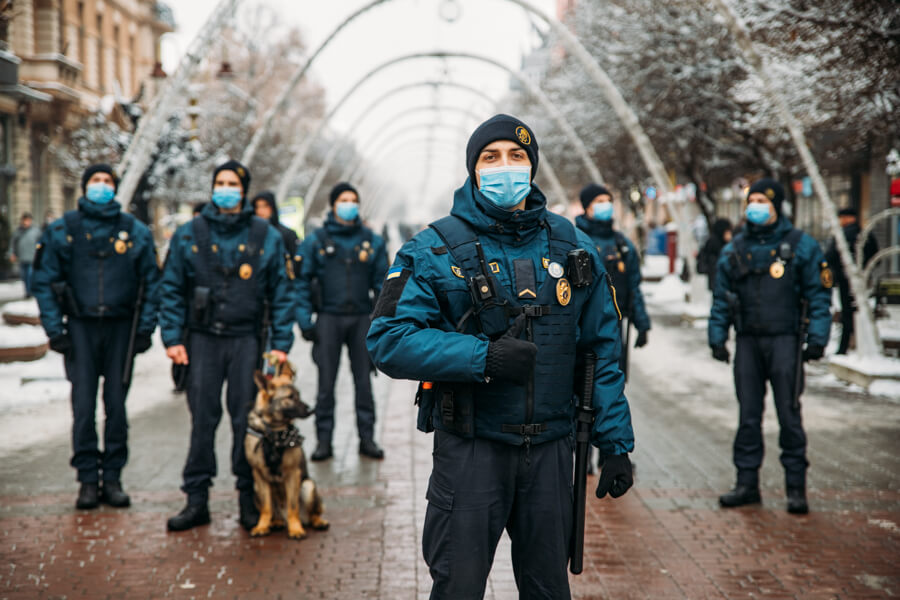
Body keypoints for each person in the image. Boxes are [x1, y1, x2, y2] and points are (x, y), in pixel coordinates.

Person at [367, 114, 634, 599]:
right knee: (459, 586)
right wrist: (481, 356)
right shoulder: (432, 249)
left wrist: (614, 442)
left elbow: (600, 352)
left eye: (516, 156)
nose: (504, 167)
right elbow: (388, 339)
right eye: (490, 157)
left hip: (552, 451)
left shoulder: (574, 246)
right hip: (472, 449)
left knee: (548, 588)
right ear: (472, 169)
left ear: (532, 167)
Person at [159, 159, 295, 532]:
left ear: (244, 189)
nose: (225, 188)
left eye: (232, 182)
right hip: (201, 341)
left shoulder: (265, 235)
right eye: (220, 182)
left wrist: (280, 343)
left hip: (247, 342)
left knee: (246, 422)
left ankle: (249, 501)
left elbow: (284, 293)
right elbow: (170, 288)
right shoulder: (190, 232)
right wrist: (172, 337)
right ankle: (196, 500)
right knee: (202, 420)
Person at [31, 163, 160, 509]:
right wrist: (55, 329)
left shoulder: (133, 231)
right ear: (85, 186)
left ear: (115, 188)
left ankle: (113, 477)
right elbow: (43, 282)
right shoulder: (64, 230)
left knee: (116, 407)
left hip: (121, 329)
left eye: (107, 181)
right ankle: (88, 479)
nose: (101, 186)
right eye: (95, 181)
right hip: (81, 330)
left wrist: (146, 328)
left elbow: (152, 282)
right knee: (83, 407)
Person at [708, 178, 832, 515]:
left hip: (785, 342)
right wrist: (717, 336)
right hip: (748, 341)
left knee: (788, 416)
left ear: (777, 204)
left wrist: (817, 338)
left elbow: (819, 297)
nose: (756, 205)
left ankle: (795, 487)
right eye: (753, 199)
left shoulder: (801, 245)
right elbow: (721, 298)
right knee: (748, 417)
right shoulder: (734, 248)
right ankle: (746, 483)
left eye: (763, 199)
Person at [296, 182, 388, 461]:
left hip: (362, 318)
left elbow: (384, 285)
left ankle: (367, 439)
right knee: (325, 384)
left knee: (364, 382)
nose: (350, 205)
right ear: (333, 205)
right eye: (343, 200)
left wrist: (380, 321)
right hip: (328, 318)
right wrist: (305, 320)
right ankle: (324, 441)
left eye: (353, 200)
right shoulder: (316, 241)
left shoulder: (372, 241)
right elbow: (301, 282)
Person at [576, 183, 651, 365]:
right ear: (587, 206)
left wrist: (642, 324)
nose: (606, 205)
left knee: (614, 376)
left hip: (615, 324)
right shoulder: (574, 238)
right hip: (581, 325)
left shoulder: (622, 244)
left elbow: (634, 285)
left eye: (609, 201)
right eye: (599, 201)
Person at [824, 208, 878, 355]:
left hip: (845, 279)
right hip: (861, 280)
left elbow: (830, 256)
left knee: (848, 313)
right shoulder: (865, 234)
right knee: (858, 311)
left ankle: (845, 347)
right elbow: (875, 257)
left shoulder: (844, 236)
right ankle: (858, 344)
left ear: (848, 218)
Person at [10, 212, 41, 297]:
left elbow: (40, 242)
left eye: (28, 220)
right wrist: (12, 253)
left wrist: (38, 251)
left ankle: (30, 292)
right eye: (25, 220)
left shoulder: (36, 231)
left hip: (32, 257)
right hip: (22, 257)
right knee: (24, 276)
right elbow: (13, 243)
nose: (26, 222)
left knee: (30, 275)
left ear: (31, 221)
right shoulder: (18, 231)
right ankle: (27, 291)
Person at [697, 218, 733, 291]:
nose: (730, 234)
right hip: (718, 282)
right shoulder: (717, 245)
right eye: (728, 231)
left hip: (717, 282)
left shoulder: (714, 241)